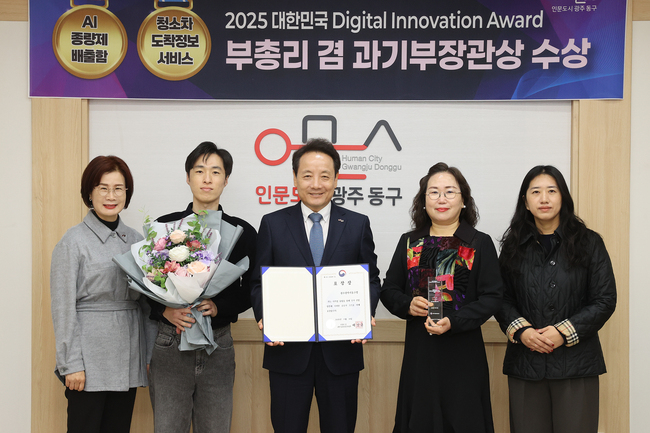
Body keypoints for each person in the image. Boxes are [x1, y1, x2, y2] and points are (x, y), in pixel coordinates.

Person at [250, 138, 381, 433]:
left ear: (336, 179)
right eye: (307, 175)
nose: (316, 184)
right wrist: (265, 316)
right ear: (295, 178)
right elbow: (258, 282)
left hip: (341, 353)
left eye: (324, 176)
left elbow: (371, 278)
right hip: (287, 352)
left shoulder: (358, 224)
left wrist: (365, 312)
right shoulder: (273, 224)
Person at [380, 162, 503, 433]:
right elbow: (389, 290)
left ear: (463, 200)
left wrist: (454, 321)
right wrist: (408, 305)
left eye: (449, 192)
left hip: (463, 352)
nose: (441, 199)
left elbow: (492, 297)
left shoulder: (478, 242)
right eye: (433, 192)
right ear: (423, 201)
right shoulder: (410, 241)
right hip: (420, 353)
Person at [495, 165, 616, 433]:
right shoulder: (513, 245)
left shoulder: (589, 243)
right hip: (525, 363)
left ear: (563, 197)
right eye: (535, 192)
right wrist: (523, 332)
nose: (544, 199)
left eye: (552, 191)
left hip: (577, 365)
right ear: (525, 201)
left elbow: (604, 299)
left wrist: (563, 332)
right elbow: (500, 298)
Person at [147, 141, 257, 433]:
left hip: (218, 344)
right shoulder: (165, 228)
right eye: (199, 171)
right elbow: (145, 280)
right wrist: (164, 310)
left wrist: (222, 307)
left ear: (226, 179)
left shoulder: (242, 232)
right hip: (171, 342)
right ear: (188, 177)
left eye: (216, 172)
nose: (207, 179)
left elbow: (255, 286)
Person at [51, 155, 151, 433]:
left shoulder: (137, 241)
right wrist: (71, 364)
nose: (111, 196)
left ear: (127, 193)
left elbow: (147, 305)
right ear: (89, 193)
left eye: (118, 188)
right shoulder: (72, 241)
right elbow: (62, 308)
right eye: (103, 188)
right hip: (88, 360)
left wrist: (148, 355)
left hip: (128, 355)